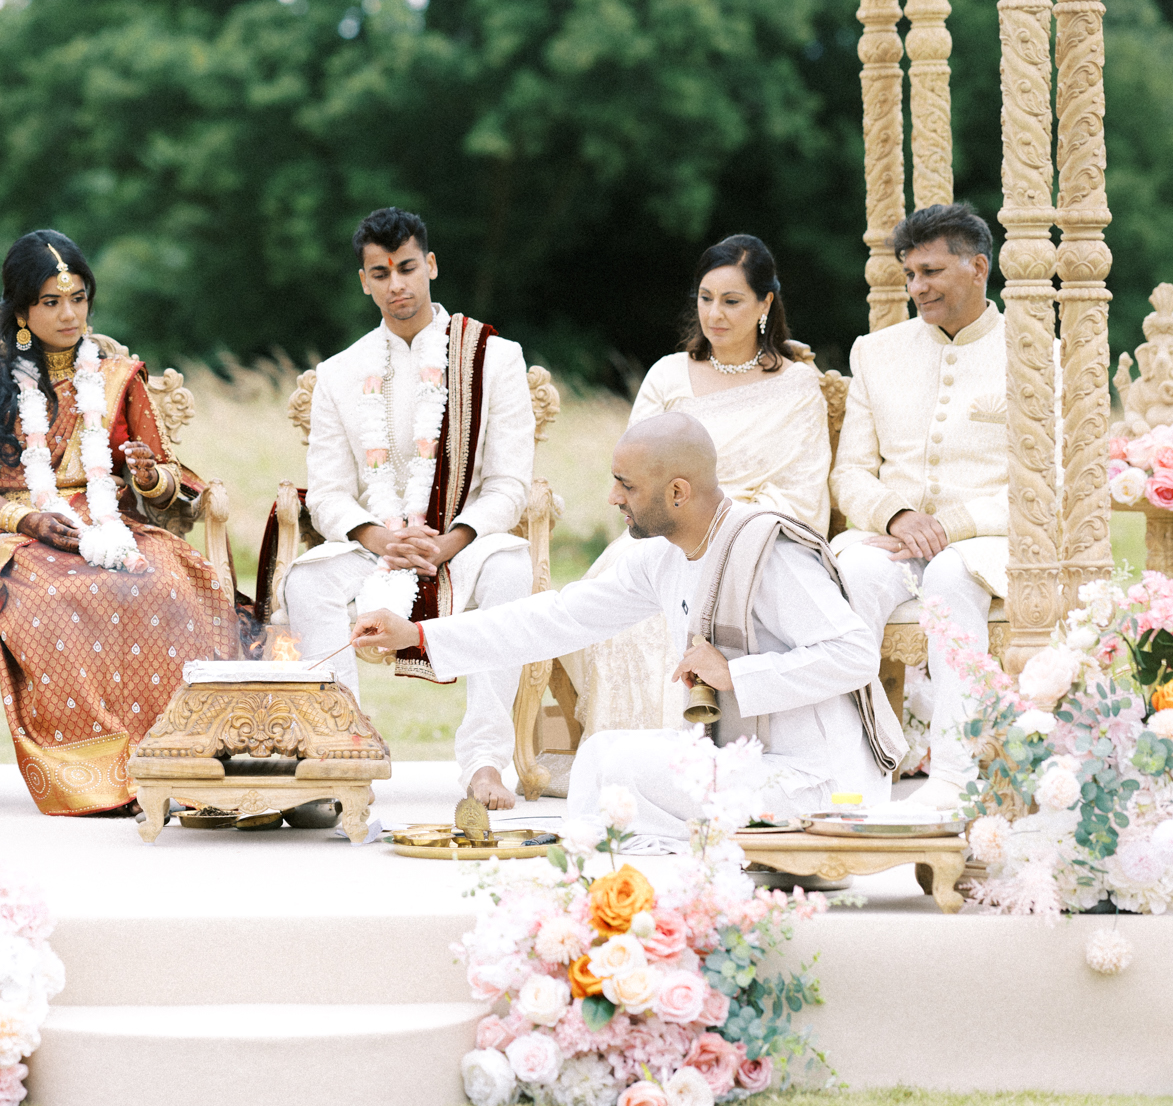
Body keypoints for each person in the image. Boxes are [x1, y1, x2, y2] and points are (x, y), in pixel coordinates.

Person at [352, 414, 903, 843]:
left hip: (823, 785)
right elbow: (556, 618)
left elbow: (854, 654)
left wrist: (736, 674)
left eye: (626, 486)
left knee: (610, 767)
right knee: (606, 756)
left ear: (678, 493)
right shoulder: (664, 557)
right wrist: (419, 635)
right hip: (750, 764)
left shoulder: (769, 551)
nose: (613, 498)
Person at [0, 230, 240, 816]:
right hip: (21, 530)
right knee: (55, 601)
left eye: (79, 298)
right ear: (23, 311)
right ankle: (97, 776)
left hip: (112, 522)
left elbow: (163, 479)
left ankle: (179, 758)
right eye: (52, 302)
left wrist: (147, 475)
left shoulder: (118, 377)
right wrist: (27, 517)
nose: (69, 313)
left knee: (168, 585)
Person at [279, 207, 536, 810]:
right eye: (381, 272)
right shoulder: (339, 374)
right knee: (308, 580)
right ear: (363, 280)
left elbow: (508, 484)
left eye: (408, 268)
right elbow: (327, 493)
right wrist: (377, 539)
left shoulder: (493, 359)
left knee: (512, 573)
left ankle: (484, 764)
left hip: (467, 544)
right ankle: (344, 752)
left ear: (432, 267)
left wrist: (452, 541)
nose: (397, 284)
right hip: (377, 550)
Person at [564, 235, 833, 739]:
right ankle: (636, 759)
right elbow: (634, 473)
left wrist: (722, 532)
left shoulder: (797, 386)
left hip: (754, 537)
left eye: (732, 301)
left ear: (765, 303)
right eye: (705, 299)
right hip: (667, 533)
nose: (715, 314)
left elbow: (801, 489)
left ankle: (702, 759)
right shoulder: (669, 375)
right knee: (623, 603)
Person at [830, 203, 1009, 791]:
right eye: (910, 274)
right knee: (850, 573)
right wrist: (898, 514)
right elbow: (850, 474)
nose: (916, 287)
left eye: (930, 272)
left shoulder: (1034, 353)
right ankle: (854, 768)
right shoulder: (875, 352)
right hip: (892, 536)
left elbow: (1049, 485)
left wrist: (953, 523)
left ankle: (954, 783)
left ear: (978, 266)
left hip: (986, 544)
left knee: (950, 581)